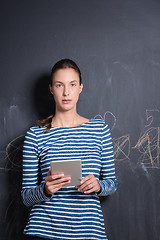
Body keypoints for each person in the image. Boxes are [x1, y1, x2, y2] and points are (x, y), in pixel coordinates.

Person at [21, 59, 117, 240]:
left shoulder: (99, 130)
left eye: (72, 84)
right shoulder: (35, 135)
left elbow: (112, 183)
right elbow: (26, 197)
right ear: (51, 89)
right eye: (59, 85)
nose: (66, 92)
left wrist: (98, 186)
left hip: (88, 232)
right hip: (43, 232)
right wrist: (45, 190)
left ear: (80, 87)